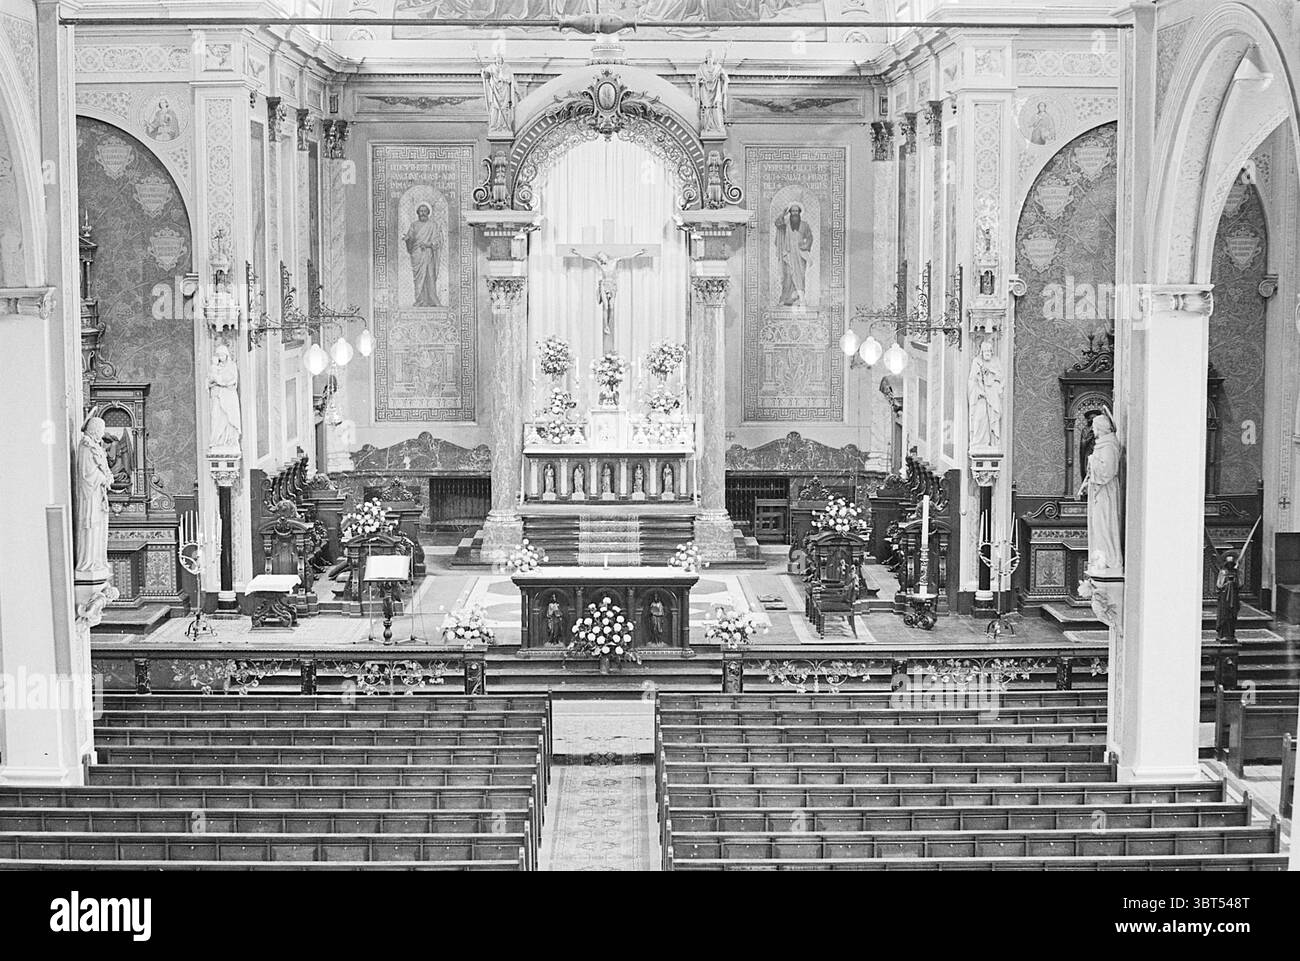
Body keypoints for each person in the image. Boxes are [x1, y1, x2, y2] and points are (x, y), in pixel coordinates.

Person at [1078, 411, 1123, 573]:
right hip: (1098, 492)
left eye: (1095, 427)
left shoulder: (1110, 446)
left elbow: (1107, 473)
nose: (1093, 431)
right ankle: (1100, 557)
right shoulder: (1102, 445)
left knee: (1104, 525)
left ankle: (1108, 557)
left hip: (1105, 494)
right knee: (1098, 525)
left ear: (1102, 428)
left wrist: (1092, 460)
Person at [74, 416, 114, 581]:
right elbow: (86, 474)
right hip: (90, 497)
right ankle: (89, 562)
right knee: (91, 527)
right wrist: (104, 479)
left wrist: (108, 476)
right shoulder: (86, 447)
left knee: (97, 529)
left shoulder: (94, 446)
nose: (103, 433)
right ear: (95, 430)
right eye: (101, 430)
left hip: (98, 495)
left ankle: (96, 561)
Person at [967, 337, 1004, 450]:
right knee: (980, 418)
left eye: (989, 351)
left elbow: (1001, 378)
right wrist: (979, 391)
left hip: (993, 396)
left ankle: (993, 441)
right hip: (981, 397)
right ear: (981, 352)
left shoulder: (996, 361)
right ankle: (978, 442)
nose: (988, 353)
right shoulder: (977, 362)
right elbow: (972, 380)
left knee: (992, 419)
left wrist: (991, 373)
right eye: (985, 351)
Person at [774, 203, 814, 306]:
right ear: (790, 212)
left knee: (799, 275)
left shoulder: (805, 225)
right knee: (788, 276)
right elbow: (778, 223)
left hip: (800, 254)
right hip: (788, 253)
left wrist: (806, 246)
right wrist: (782, 214)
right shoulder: (786, 223)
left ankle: (801, 298)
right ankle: (788, 299)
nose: (795, 213)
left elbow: (809, 237)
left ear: (800, 212)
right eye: (793, 211)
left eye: (797, 211)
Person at [403, 203, 442, 307]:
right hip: (417, 254)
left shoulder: (433, 225)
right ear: (418, 213)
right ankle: (420, 300)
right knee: (419, 278)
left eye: (425, 211)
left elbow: (437, 241)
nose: (423, 213)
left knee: (430, 276)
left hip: (428, 254)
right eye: (421, 211)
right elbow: (410, 238)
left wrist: (428, 244)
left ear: (428, 213)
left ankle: (432, 299)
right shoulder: (414, 225)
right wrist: (407, 239)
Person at [207, 343, 242, 451]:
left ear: (226, 355)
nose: (221, 358)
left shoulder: (232, 366)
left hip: (229, 397)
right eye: (219, 355)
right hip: (218, 396)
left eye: (222, 355)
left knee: (229, 417)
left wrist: (218, 380)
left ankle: (230, 440)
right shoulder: (215, 368)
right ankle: (217, 440)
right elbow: (209, 382)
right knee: (216, 416)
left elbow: (231, 380)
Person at [694, 49, 728, 136]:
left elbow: (726, 79)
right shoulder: (701, 68)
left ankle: (717, 126)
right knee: (706, 109)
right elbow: (697, 80)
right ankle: (707, 127)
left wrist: (723, 77)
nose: (710, 59)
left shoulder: (718, 68)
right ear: (706, 58)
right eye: (708, 57)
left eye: (711, 57)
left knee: (716, 108)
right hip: (705, 91)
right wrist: (701, 82)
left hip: (716, 91)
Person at [1216, 553, 1241, 642]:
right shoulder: (1223, 572)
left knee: (1232, 616)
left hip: (1233, 598)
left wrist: (1234, 583)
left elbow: (1240, 584)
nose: (1230, 565)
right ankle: (1222, 634)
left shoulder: (1235, 572)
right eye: (1228, 564)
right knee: (1224, 615)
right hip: (1224, 598)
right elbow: (1219, 585)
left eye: (1231, 564)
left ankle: (1231, 634)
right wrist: (1227, 584)